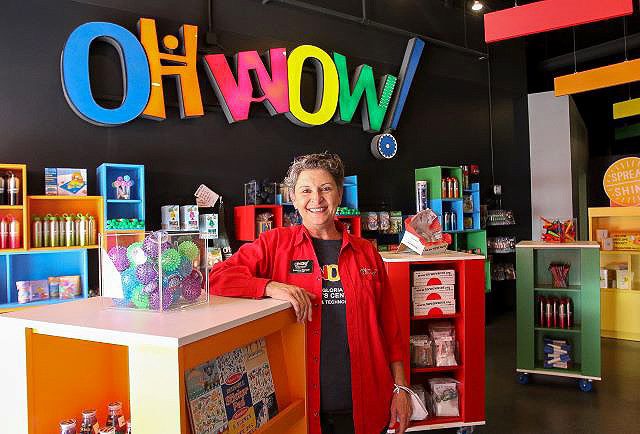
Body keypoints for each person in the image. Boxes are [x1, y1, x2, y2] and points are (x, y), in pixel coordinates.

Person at [210, 153, 412, 434]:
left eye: (326, 188)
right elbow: (217, 277)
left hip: (366, 402)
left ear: (339, 194)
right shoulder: (274, 244)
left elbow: (390, 328)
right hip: (302, 406)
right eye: (306, 190)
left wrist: (401, 388)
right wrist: (268, 286)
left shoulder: (366, 251)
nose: (316, 199)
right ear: (293, 197)